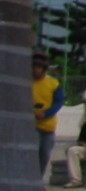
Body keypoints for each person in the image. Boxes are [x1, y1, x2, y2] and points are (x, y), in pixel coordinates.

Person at [32, 53, 63, 181]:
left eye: (38, 67)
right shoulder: (27, 82)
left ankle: (38, 179)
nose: (36, 70)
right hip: (33, 126)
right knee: (33, 154)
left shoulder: (53, 83)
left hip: (48, 126)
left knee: (44, 155)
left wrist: (46, 113)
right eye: (34, 67)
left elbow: (58, 102)